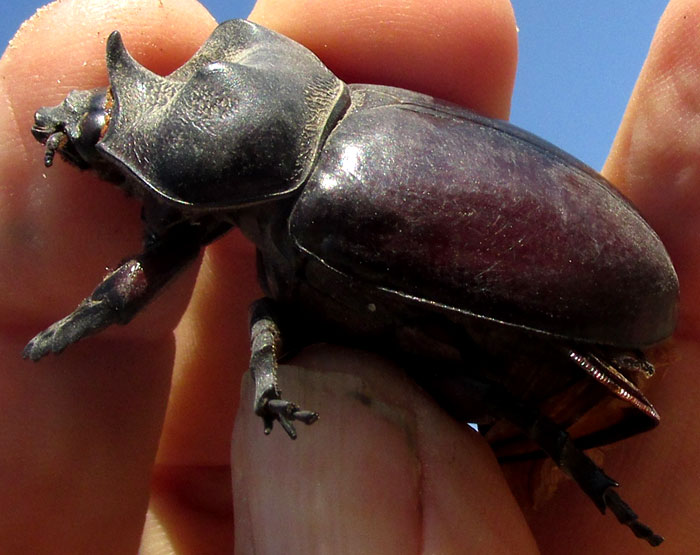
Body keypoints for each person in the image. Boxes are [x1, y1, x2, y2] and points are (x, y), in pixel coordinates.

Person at [0, 0, 695, 552]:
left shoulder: (326, 203)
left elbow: (138, 291)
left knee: (474, 377)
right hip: (603, 286)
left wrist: (55, 344)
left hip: (585, 329)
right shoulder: (338, 111)